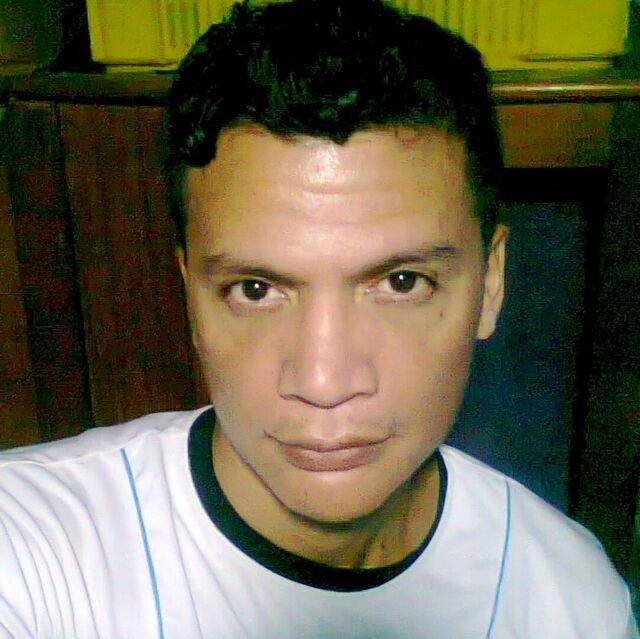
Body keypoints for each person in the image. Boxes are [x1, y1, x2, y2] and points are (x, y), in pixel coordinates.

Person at [0, 0, 637, 636]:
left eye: (401, 283)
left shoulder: (572, 602)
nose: (324, 382)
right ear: (189, 292)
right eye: (255, 290)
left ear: (491, 283)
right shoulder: (31, 552)